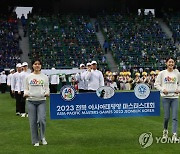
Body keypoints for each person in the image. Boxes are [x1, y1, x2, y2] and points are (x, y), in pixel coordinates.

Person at [24, 59, 50, 147]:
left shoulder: (45, 77)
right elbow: (26, 88)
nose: (37, 65)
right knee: (33, 121)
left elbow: (47, 88)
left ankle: (42, 137)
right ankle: (35, 140)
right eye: (35, 64)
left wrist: (47, 93)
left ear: (41, 66)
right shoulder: (28, 77)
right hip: (31, 101)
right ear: (33, 66)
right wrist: (26, 93)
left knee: (42, 120)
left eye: (39, 64)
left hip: (41, 100)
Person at [154, 57, 180, 142]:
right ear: (166, 63)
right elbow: (156, 84)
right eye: (169, 62)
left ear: (174, 63)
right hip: (165, 98)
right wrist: (162, 90)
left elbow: (179, 84)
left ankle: (174, 134)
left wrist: (178, 89)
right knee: (166, 117)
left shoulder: (177, 73)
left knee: (175, 117)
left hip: (175, 97)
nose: (171, 64)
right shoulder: (162, 73)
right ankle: (165, 131)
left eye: (172, 62)